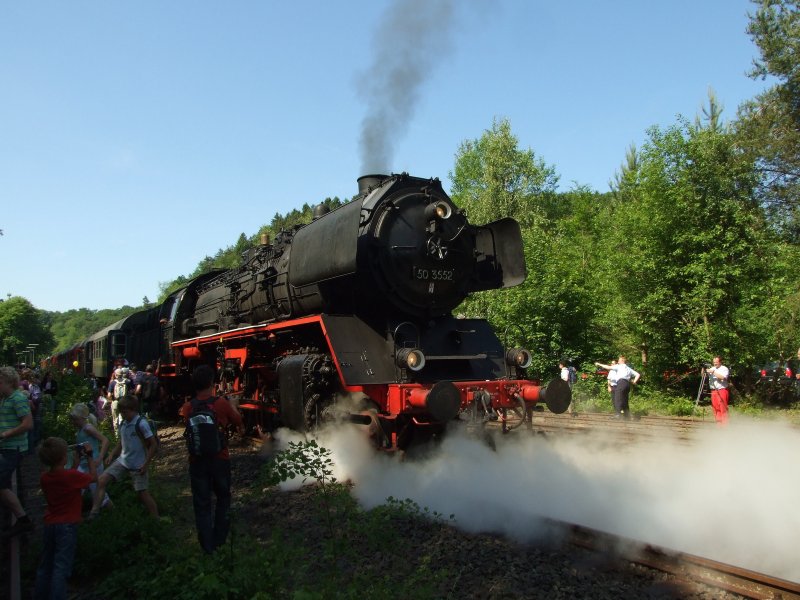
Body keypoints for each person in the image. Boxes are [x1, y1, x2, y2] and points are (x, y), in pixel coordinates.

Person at [179, 364, 244, 553]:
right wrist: (232, 406)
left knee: (202, 504)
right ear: (211, 382)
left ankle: (207, 548)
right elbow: (238, 420)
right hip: (219, 459)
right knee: (223, 499)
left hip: (197, 461)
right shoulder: (220, 404)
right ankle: (220, 542)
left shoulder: (187, 408)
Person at [33, 437, 97, 600]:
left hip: (50, 524)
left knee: (46, 565)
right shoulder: (72, 476)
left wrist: (74, 464)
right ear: (63, 458)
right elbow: (93, 477)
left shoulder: (45, 478)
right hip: (67, 526)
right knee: (61, 568)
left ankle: (40, 595)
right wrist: (89, 456)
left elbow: (65, 480)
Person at [89, 395, 159, 519]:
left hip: (139, 464)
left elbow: (153, 445)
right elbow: (121, 443)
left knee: (142, 493)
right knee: (101, 480)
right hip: (123, 461)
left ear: (133, 409)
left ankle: (156, 519)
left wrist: (146, 464)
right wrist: (111, 455)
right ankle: (94, 513)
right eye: (121, 412)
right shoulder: (123, 423)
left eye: (125, 412)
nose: (122, 414)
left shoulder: (141, 424)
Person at [0, 366, 34, 537]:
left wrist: (6, 433)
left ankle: (23, 520)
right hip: (7, 447)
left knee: (1, 483)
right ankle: (19, 518)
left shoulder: (17, 399)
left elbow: (28, 424)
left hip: (14, 447)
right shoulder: (5, 399)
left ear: (8, 382)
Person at [70, 403, 111, 508]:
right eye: (72, 419)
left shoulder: (88, 428)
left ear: (82, 418)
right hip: (83, 465)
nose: (73, 422)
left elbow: (105, 440)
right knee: (75, 488)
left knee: (98, 493)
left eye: (75, 419)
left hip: (94, 465)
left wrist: (100, 457)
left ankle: (112, 514)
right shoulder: (79, 430)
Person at [706, 355, 730, 425]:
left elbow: (723, 377)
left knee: (723, 408)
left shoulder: (724, 369)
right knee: (715, 408)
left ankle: (725, 425)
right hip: (714, 391)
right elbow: (703, 375)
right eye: (714, 362)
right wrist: (703, 369)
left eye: (716, 362)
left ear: (720, 362)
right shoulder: (712, 368)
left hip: (722, 390)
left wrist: (713, 372)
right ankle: (719, 425)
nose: (715, 364)